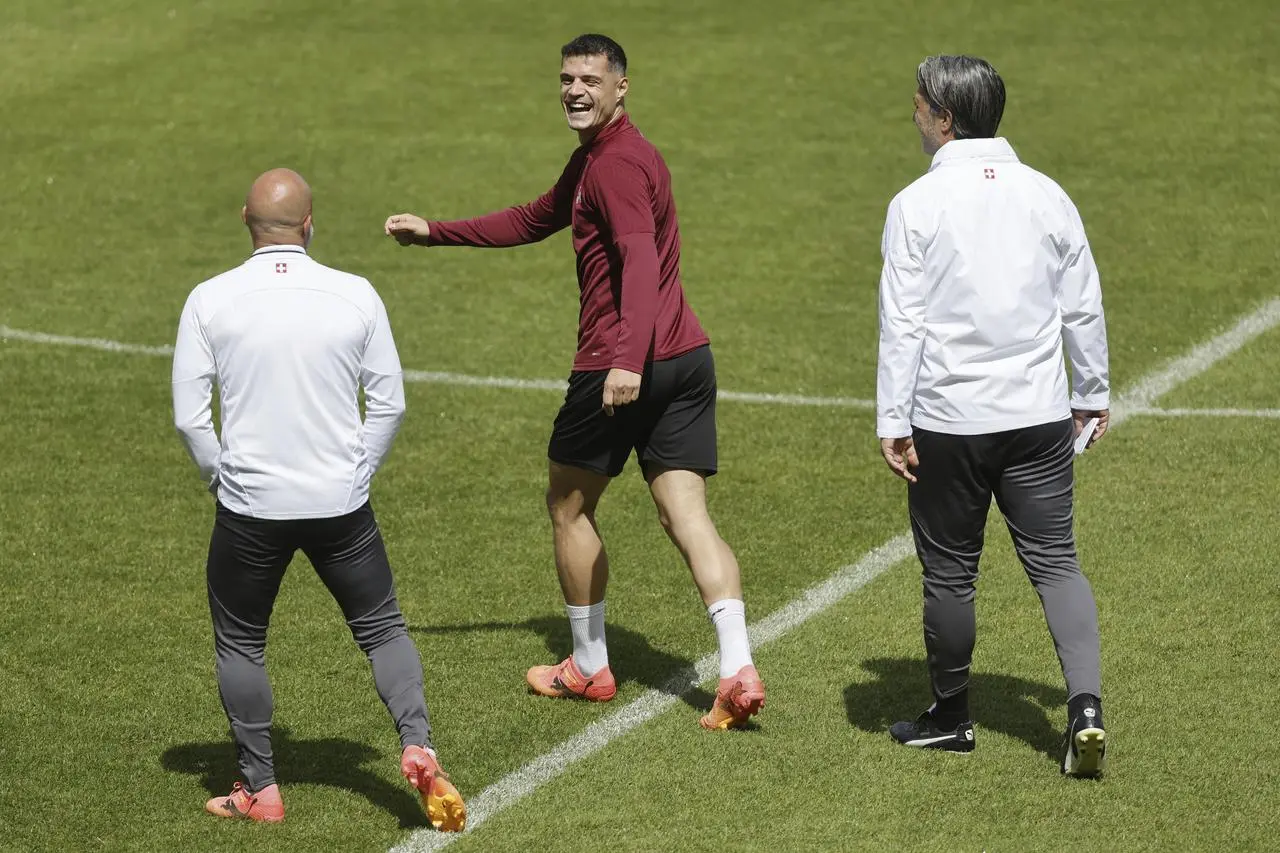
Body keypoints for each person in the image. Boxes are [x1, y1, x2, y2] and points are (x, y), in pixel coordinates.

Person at [384, 33, 765, 730]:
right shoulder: (609, 157)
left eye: (590, 79)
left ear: (623, 87)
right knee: (686, 514)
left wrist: (624, 357)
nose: (574, 90)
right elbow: (535, 217)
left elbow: (639, 261)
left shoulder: (615, 166)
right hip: (686, 357)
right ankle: (738, 664)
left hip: (622, 363)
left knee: (568, 505)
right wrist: (435, 230)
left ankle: (588, 666)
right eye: (566, 78)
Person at [172, 168, 466, 826]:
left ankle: (260, 787)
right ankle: (418, 741)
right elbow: (389, 402)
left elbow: (192, 418)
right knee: (382, 627)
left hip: (251, 507)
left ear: (244, 219)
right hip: (341, 503)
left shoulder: (209, 299)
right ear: (310, 225)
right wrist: (356, 470)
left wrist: (227, 480)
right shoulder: (355, 294)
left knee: (242, 642)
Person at [875, 56, 1110, 776]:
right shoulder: (1047, 194)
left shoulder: (915, 204)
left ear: (945, 118)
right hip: (1039, 419)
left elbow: (903, 321)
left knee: (950, 574)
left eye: (919, 104)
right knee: (1057, 562)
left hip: (949, 420)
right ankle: (1086, 709)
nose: (913, 114)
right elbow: (1083, 302)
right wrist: (1092, 390)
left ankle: (950, 717)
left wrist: (893, 417)